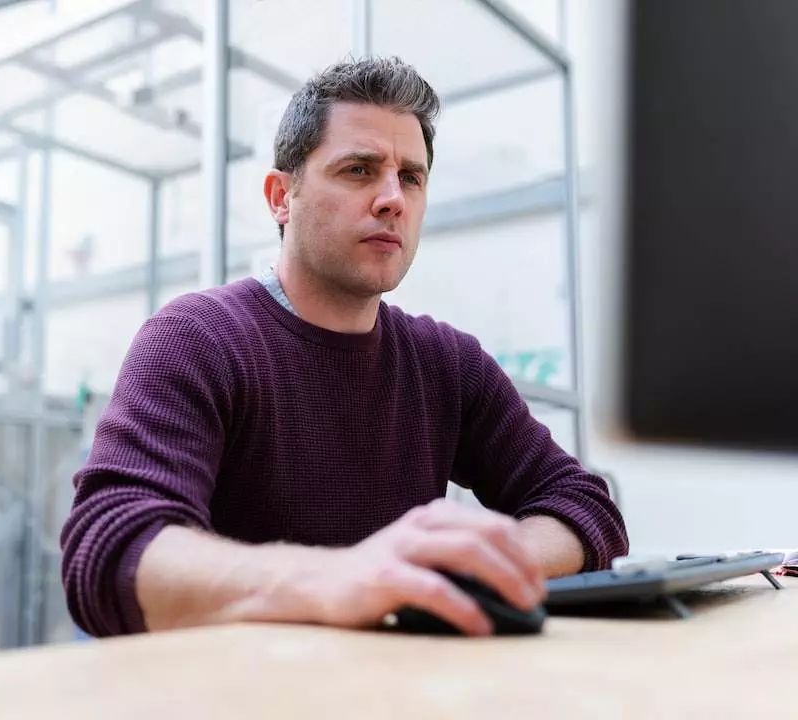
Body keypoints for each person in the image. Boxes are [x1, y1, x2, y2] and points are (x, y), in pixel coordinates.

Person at [60, 56, 628, 640]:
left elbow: (584, 505)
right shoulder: (199, 339)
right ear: (281, 196)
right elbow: (109, 553)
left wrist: (467, 566)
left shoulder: (447, 364)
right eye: (359, 170)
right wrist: (340, 578)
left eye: (411, 177)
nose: (393, 199)